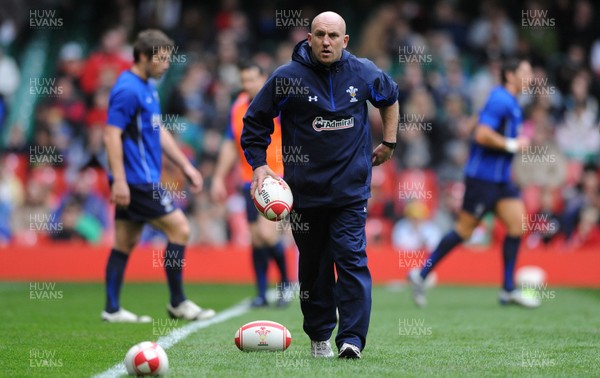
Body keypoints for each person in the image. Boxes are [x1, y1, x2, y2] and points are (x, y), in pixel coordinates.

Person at [241, 11, 399, 359]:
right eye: (319, 34)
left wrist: (389, 142)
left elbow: (389, 97)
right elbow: (255, 121)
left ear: (345, 41)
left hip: (350, 191)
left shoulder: (364, 72)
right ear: (309, 38)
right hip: (305, 195)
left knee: (351, 259)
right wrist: (259, 166)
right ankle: (319, 336)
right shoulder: (287, 78)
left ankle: (352, 339)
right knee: (314, 267)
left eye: (333, 36)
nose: (326, 41)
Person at [408, 59, 541, 309]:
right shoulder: (502, 99)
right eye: (526, 72)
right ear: (510, 75)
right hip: (483, 179)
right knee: (465, 230)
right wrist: (512, 144)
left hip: (501, 180)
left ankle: (508, 290)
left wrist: (471, 123)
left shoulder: (508, 100)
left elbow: (479, 121)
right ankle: (421, 274)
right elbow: (482, 134)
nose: (531, 77)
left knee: (516, 224)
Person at [102, 29, 215, 323]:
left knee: (124, 242)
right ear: (142, 57)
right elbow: (111, 135)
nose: (166, 65)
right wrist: (120, 180)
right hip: (137, 181)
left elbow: (158, 130)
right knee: (180, 229)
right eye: (162, 59)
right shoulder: (128, 89)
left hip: (141, 178)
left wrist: (185, 166)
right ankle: (178, 302)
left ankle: (112, 309)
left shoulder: (148, 87)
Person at [211, 61, 290, 308]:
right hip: (249, 180)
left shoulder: (277, 105)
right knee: (256, 238)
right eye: (244, 80)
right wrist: (217, 177)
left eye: (253, 80)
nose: (248, 85)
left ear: (264, 79)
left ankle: (286, 284)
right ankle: (261, 292)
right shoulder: (238, 107)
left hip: (275, 179)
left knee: (267, 234)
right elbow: (231, 143)